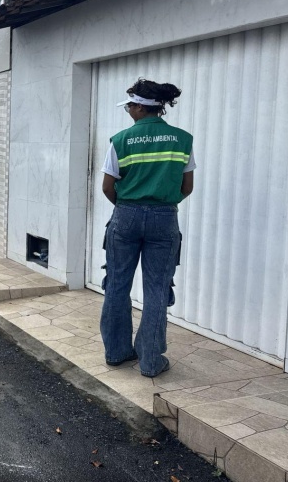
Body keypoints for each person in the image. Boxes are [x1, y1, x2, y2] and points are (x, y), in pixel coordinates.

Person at [100, 78, 195, 378]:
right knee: (156, 290)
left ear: (141, 106)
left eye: (130, 105)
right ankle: (151, 361)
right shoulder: (182, 139)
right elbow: (187, 186)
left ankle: (116, 353)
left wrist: (128, 206)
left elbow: (107, 186)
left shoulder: (120, 140)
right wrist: (164, 202)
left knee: (117, 284)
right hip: (164, 218)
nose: (128, 109)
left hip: (125, 216)